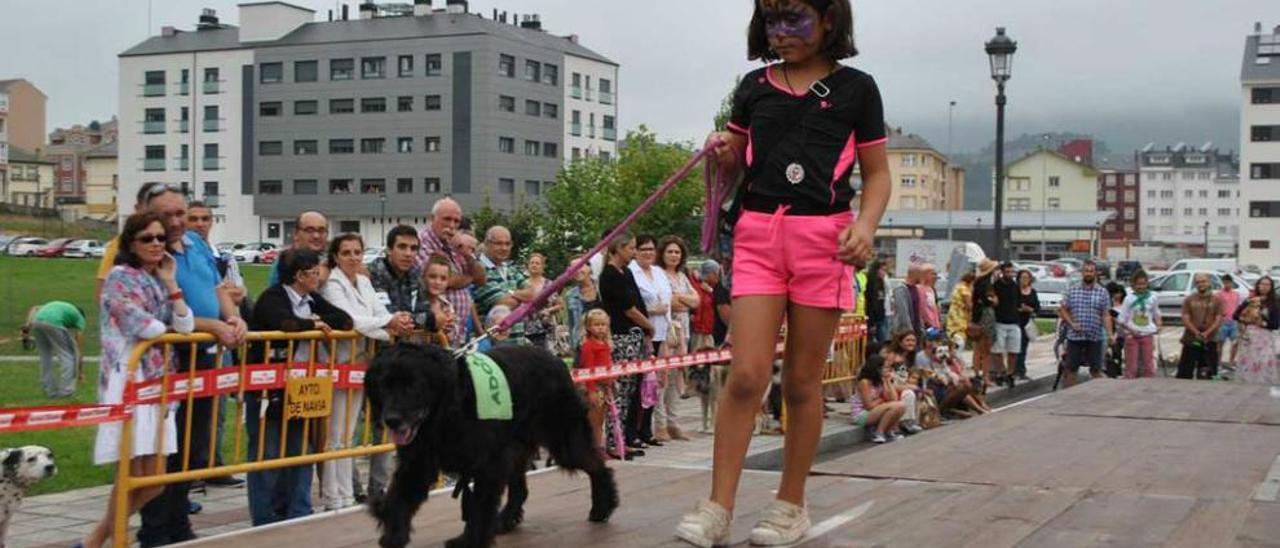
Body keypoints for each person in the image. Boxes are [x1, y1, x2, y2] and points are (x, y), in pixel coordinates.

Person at [676, 0, 891, 544]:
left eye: (794, 20)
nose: (781, 33)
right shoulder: (753, 88)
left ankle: (789, 505)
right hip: (757, 236)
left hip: (825, 240)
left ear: (828, 20)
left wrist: (865, 226)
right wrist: (722, 151)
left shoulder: (857, 89)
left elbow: (878, 174)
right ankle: (717, 506)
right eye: (771, 21)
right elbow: (736, 163)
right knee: (745, 374)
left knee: (800, 380)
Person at [81, 213, 196, 548]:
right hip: (129, 379)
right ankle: (109, 538)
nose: (157, 244)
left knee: (155, 481)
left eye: (161, 238)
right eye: (148, 238)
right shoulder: (119, 277)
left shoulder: (158, 279)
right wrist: (168, 327)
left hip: (159, 382)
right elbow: (147, 327)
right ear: (131, 242)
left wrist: (173, 284)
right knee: (132, 475)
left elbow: (185, 326)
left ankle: (96, 538)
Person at [141, 188, 247, 546]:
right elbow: (161, 313)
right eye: (166, 215)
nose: (174, 222)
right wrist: (212, 325)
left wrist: (233, 319)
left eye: (179, 214)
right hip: (171, 359)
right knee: (167, 450)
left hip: (206, 357)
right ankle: (156, 529)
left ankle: (179, 520)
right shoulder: (151, 249)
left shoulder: (196, 244)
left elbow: (218, 288)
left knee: (194, 448)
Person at [245, 248, 352, 526]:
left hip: (301, 387)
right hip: (268, 388)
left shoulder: (311, 298)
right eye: (313, 273)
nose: (318, 277)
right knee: (266, 453)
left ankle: (298, 512)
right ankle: (264, 518)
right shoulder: (273, 297)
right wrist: (314, 324)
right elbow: (285, 323)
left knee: (300, 449)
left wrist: (319, 320)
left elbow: (343, 319)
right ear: (298, 275)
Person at [319, 234, 403, 511]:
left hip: (360, 363)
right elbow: (350, 320)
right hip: (336, 362)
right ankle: (334, 495)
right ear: (335, 257)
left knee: (349, 431)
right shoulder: (332, 283)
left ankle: (346, 493)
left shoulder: (365, 282)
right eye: (346, 253)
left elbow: (378, 313)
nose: (353, 258)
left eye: (357, 252)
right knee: (335, 433)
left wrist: (386, 322)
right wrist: (386, 323)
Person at [187, 201, 247, 486]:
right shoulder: (186, 254)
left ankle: (213, 463)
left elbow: (238, 292)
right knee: (190, 409)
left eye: (205, 218)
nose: (199, 224)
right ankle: (191, 469)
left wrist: (230, 309)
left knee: (218, 406)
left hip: (221, 342)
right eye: (193, 218)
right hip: (191, 342)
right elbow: (227, 291)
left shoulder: (221, 255)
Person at [598, 233, 653, 459]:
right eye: (630, 248)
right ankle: (612, 441)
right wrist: (649, 325)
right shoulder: (609, 275)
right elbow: (628, 308)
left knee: (631, 390)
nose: (633, 252)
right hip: (620, 335)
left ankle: (624, 438)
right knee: (619, 390)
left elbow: (638, 302)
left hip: (634, 335)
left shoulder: (627, 272)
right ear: (618, 249)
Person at [418, 198, 485, 344]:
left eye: (456, 221)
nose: (452, 225)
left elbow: (481, 279)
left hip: (457, 330)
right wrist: (469, 278)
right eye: (447, 219)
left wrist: (466, 253)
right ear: (432, 218)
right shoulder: (423, 242)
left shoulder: (454, 245)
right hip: (434, 332)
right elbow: (447, 280)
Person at [629, 235, 672, 446]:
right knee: (639, 384)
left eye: (651, 249)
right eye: (643, 249)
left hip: (661, 332)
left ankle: (647, 429)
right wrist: (652, 311)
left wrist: (669, 331)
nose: (648, 253)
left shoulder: (658, 273)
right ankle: (635, 431)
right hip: (642, 333)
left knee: (654, 384)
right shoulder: (632, 273)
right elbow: (632, 305)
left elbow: (668, 304)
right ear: (635, 251)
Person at [473, 226, 534, 344]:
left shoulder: (510, 268)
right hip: (492, 346)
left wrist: (510, 293)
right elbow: (503, 303)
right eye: (498, 243)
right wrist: (522, 299)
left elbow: (532, 294)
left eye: (507, 244)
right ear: (486, 243)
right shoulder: (479, 269)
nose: (504, 248)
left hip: (516, 343)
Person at [1058, 260, 1114, 387]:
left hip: (1095, 336)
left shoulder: (1102, 292)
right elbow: (1063, 309)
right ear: (1082, 273)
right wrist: (1071, 323)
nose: (1088, 273)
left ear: (1096, 273)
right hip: (1075, 336)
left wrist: (1110, 334)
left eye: (1091, 271)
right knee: (1071, 368)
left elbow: (1106, 315)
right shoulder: (1072, 290)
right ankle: (1068, 395)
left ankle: (1096, 395)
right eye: (1086, 271)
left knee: (1096, 368)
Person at [25, 301, 86, 398]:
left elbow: (35, 308)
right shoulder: (80, 318)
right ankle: (66, 391)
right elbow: (78, 346)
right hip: (54, 322)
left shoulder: (62, 307)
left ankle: (50, 391)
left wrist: (27, 327)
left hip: (36, 321)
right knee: (69, 355)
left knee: (45, 357)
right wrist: (80, 371)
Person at [577, 309, 616, 458]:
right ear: (588, 327)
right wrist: (591, 390)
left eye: (603, 325)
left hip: (605, 386)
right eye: (596, 324)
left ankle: (599, 446)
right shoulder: (588, 346)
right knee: (594, 420)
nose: (600, 328)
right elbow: (588, 369)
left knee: (601, 420)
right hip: (595, 387)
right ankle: (595, 448)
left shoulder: (605, 344)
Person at [1175, 272, 1224, 380]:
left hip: (1210, 340)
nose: (1201, 284)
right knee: (1184, 373)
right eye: (1198, 282)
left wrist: (1207, 333)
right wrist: (1196, 332)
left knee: (1208, 374)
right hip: (1191, 339)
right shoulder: (1189, 299)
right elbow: (1185, 317)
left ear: (1209, 282)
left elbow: (1219, 319)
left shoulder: (1217, 300)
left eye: (1203, 281)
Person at [850, 355, 906, 445]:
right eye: (885, 367)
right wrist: (880, 400)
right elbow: (868, 406)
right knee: (896, 406)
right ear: (876, 368)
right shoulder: (864, 382)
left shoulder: (879, 380)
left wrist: (887, 381)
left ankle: (888, 431)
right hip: (861, 414)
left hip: (875, 410)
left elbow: (893, 399)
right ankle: (879, 432)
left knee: (901, 406)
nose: (888, 370)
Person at [1232, 276, 1278, 385]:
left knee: (1263, 361)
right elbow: (1235, 315)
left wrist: (1262, 323)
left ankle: (1263, 385)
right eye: (1262, 284)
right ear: (1257, 285)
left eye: (1267, 285)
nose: (1264, 287)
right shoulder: (1250, 300)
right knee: (1248, 361)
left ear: (1271, 287)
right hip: (1250, 337)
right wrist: (1247, 319)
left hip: (1265, 338)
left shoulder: (1274, 303)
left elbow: (1276, 324)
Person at [267, 211, 330, 286]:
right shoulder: (285, 262)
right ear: (296, 234)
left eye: (321, 231)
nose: (316, 236)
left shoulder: (334, 259)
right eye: (309, 230)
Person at [1118, 270, 1161, 379]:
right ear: (1133, 285)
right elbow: (1121, 319)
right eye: (1138, 284)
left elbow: (1156, 313)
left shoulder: (1153, 297)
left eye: (1143, 284)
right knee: (1132, 367)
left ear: (1147, 284)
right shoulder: (1129, 299)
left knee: (1148, 365)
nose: (1141, 287)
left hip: (1147, 334)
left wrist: (1159, 325)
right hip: (1132, 335)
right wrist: (1131, 330)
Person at [520, 252, 563, 350]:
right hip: (525, 328)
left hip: (545, 327)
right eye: (532, 263)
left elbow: (560, 304)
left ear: (542, 267)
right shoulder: (521, 284)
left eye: (537, 263)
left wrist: (549, 310)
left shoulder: (549, 284)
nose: (534, 265)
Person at [991, 262, 1021, 388]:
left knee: (1013, 351)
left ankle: (1010, 373)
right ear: (1002, 272)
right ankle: (1000, 372)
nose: (1010, 274)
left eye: (1011, 272)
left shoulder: (1015, 286)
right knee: (998, 350)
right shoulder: (996, 285)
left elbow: (1018, 301)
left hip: (1014, 322)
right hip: (1000, 322)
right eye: (1007, 272)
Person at [968, 259, 998, 381]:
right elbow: (986, 301)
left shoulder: (977, 283)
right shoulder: (984, 285)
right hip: (985, 317)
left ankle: (978, 373)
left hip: (978, 317)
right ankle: (984, 375)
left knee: (978, 348)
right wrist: (993, 300)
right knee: (985, 349)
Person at [565, 254, 601, 352]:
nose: (577, 270)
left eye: (580, 266)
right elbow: (572, 324)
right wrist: (573, 347)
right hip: (582, 345)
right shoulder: (570, 295)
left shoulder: (602, 287)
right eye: (574, 268)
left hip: (604, 341)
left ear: (589, 268)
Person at [423, 254, 460, 347]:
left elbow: (454, 337)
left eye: (443, 279)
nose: (437, 282)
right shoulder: (416, 302)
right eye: (432, 277)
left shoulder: (447, 306)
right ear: (424, 277)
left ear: (448, 282)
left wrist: (449, 329)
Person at [1014, 269, 1041, 381]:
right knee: (1015, 347)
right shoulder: (1014, 291)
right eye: (1022, 278)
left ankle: (1021, 369)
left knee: (1023, 347)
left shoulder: (1033, 292)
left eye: (1027, 278)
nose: (1024, 280)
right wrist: (1019, 309)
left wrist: (1030, 310)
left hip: (1027, 322)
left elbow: (1037, 308)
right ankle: (1014, 370)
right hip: (1015, 321)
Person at [1218, 275, 1242, 370]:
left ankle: (1231, 362)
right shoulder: (1219, 294)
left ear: (1232, 283)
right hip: (1223, 322)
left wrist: (1239, 321)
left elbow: (1238, 308)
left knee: (1235, 343)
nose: (1227, 284)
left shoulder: (1236, 294)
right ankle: (1218, 363)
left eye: (1228, 282)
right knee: (1220, 343)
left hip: (1234, 322)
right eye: (1225, 282)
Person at [891, 265, 922, 337]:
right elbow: (903, 312)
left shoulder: (915, 289)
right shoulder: (901, 290)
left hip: (916, 331)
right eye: (920, 274)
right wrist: (910, 331)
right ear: (914, 274)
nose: (921, 277)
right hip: (904, 332)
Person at [946, 271, 975, 348]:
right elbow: (969, 305)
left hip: (953, 313)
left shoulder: (958, 286)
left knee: (953, 334)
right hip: (960, 315)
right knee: (960, 336)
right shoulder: (964, 289)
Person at [863, 259, 889, 345]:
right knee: (876, 342)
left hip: (881, 317)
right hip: (873, 318)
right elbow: (870, 303)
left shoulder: (881, 282)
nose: (884, 273)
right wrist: (871, 323)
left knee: (884, 342)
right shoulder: (870, 282)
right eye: (882, 270)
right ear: (876, 270)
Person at [916, 263, 941, 334]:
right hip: (926, 326)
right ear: (924, 275)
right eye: (932, 274)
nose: (935, 277)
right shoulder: (919, 289)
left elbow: (934, 308)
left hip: (935, 325)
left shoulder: (931, 289)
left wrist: (938, 322)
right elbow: (922, 308)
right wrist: (929, 323)